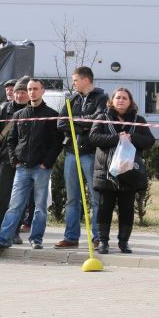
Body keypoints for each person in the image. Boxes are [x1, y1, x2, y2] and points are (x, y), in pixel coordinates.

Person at [0, 78, 61, 255]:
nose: (32, 92)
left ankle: (36, 239)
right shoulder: (18, 115)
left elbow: (56, 143)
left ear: (42, 91)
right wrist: (15, 160)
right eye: (29, 89)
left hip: (41, 168)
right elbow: (11, 140)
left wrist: (46, 163)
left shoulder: (51, 115)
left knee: (40, 207)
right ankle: (3, 240)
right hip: (22, 168)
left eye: (35, 89)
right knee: (15, 205)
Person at [89, 88, 155, 254]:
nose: (121, 100)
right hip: (106, 173)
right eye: (118, 97)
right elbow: (94, 138)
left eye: (124, 98)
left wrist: (132, 138)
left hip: (129, 173)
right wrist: (117, 137)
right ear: (112, 100)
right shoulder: (102, 118)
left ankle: (123, 242)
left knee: (126, 210)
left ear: (130, 101)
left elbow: (149, 141)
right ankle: (103, 241)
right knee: (105, 209)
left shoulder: (138, 120)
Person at [54, 67, 108, 249]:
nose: (73, 83)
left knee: (95, 197)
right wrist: (81, 125)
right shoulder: (72, 99)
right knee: (72, 198)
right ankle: (71, 237)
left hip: (91, 153)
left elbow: (98, 119)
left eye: (75, 80)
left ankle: (98, 237)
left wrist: (75, 121)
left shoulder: (102, 98)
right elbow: (61, 122)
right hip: (71, 152)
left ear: (86, 80)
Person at [0, 77, 29, 243]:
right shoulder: (2, 110)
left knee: (19, 199)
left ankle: (14, 231)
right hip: (4, 160)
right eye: (17, 92)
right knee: (2, 197)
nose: (20, 95)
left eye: (23, 92)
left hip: (25, 161)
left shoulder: (32, 111)